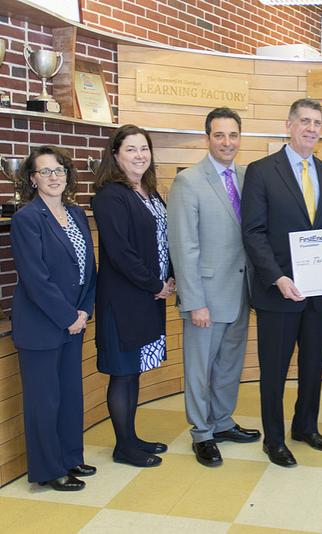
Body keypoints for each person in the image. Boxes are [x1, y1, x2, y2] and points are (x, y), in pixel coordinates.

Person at [242, 98, 322, 467]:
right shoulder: (261, 171)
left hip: (319, 293)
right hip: (279, 291)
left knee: (314, 365)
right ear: (288, 125)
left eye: (317, 122)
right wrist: (278, 277)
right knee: (274, 370)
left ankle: (306, 426)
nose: (311, 128)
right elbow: (253, 232)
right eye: (304, 121)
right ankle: (274, 439)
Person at [167, 107, 260, 468]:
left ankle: (222, 422)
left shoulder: (246, 176)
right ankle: (201, 433)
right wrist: (194, 301)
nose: (227, 142)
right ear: (207, 138)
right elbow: (184, 246)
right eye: (219, 135)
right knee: (200, 367)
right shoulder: (188, 181)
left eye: (233, 135)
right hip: (205, 296)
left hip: (240, 292)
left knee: (228, 366)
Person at [11, 145, 97, 491]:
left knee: (69, 395)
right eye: (45, 172)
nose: (53, 177)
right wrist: (67, 317)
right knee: (44, 401)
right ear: (32, 179)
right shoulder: (26, 219)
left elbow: (89, 268)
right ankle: (49, 470)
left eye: (59, 170)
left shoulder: (76, 214)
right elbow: (35, 278)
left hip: (74, 321)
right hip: (42, 325)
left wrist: (85, 310)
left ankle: (70, 456)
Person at [92, 124, 175, 468]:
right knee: (123, 372)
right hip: (124, 301)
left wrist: (169, 277)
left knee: (135, 370)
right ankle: (123, 446)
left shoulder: (151, 193)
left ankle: (131, 436)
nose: (140, 155)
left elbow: (163, 241)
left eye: (144, 148)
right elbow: (122, 252)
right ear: (115, 155)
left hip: (147, 298)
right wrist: (156, 284)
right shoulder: (110, 196)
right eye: (131, 149)